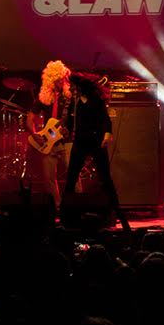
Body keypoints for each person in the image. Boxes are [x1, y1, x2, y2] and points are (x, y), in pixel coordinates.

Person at [62, 72, 131, 232]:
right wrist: (66, 130)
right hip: (80, 141)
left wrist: (107, 134)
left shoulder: (96, 101)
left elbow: (105, 120)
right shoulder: (74, 102)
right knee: (71, 177)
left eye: (73, 86)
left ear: (80, 87)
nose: (71, 89)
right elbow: (71, 123)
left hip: (96, 141)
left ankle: (119, 214)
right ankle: (65, 216)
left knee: (105, 178)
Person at [26, 60, 74, 207]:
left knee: (74, 173)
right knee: (48, 177)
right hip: (48, 141)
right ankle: (56, 206)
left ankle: (76, 205)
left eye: (61, 79)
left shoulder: (70, 97)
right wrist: (34, 134)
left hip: (67, 141)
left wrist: (70, 128)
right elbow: (30, 117)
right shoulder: (44, 97)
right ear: (50, 80)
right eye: (56, 80)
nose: (60, 82)